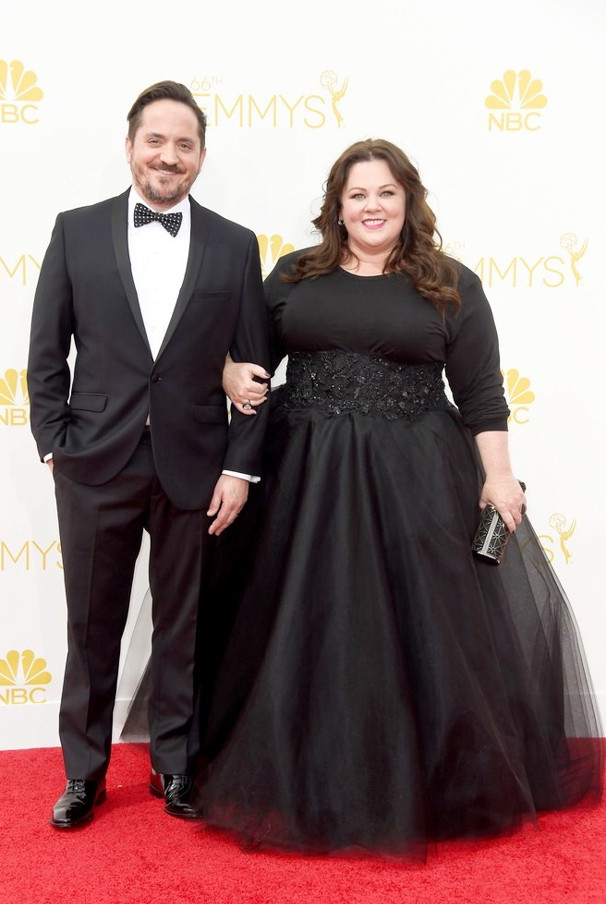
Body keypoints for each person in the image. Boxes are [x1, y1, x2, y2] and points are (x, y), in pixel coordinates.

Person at [194, 138, 603, 858]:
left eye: (386, 192)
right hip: (301, 479)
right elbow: (249, 363)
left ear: (407, 199)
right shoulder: (293, 274)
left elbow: (480, 392)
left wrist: (498, 476)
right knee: (302, 624)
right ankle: (296, 774)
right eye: (358, 194)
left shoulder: (450, 283)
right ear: (337, 207)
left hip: (416, 475)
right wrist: (228, 372)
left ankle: (420, 781)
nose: (372, 206)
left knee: (418, 632)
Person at [27, 80, 270, 829]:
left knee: (184, 624)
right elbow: (45, 351)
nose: (170, 156)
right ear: (130, 145)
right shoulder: (75, 230)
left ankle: (175, 766)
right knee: (90, 625)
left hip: (195, 465)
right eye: (155, 140)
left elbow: (255, 369)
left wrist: (239, 466)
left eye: (185, 144)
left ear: (202, 155)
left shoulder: (234, 244)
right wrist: (54, 446)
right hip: (94, 462)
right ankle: (83, 773)